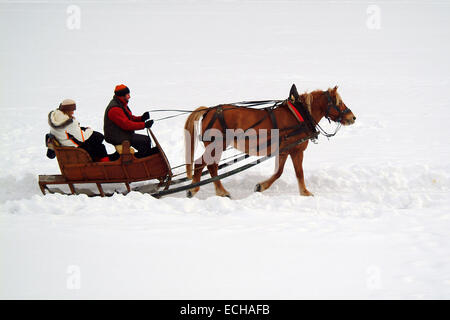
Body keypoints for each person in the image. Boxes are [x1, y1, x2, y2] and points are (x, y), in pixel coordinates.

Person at [48, 99, 117, 162]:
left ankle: (102, 159)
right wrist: (88, 130)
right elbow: (82, 138)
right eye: (72, 110)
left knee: (97, 140)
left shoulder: (55, 118)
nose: (73, 113)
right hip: (74, 148)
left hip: (65, 144)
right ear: (67, 110)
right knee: (99, 140)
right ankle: (104, 162)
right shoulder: (69, 122)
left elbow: (68, 131)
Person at [103, 84, 154, 158]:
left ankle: (141, 159)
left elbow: (129, 118)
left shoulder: (121, 103)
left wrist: (141, 118)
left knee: (144, 140)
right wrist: (144, 125)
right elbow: (126, 124)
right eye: (127, 94)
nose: (129, 96)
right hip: (116, 136)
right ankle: (142, 162)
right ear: (122, 96)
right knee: (145, 141)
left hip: (120, 132)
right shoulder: (115, 109)